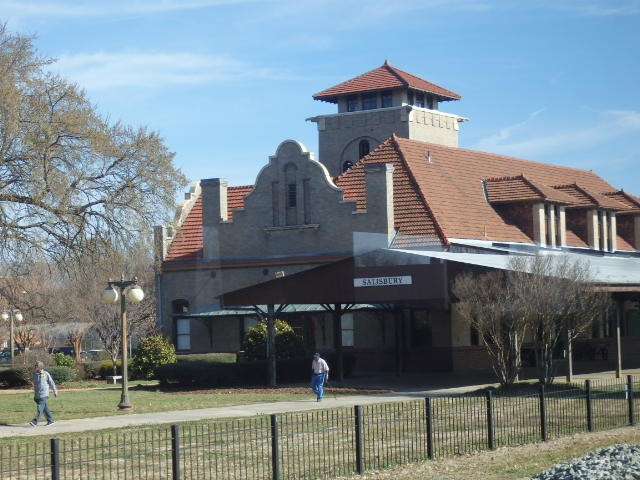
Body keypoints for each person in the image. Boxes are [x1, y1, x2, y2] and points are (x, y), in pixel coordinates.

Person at [29, 360, 58, 426]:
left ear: (40, 367)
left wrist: (55, 391)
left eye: (37, 366)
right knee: (44, 408)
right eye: (35, 366)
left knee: (40, 408)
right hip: (37, 395)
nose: (35, 367)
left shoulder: (46, 374)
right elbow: (35, 384)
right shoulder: (34, 374)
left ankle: (35, 421)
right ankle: (50, 420)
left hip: (44, 394)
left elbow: (51, 383)